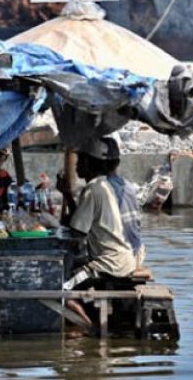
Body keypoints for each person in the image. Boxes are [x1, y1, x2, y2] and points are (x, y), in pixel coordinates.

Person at [58, 137, 139, 327]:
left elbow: (76, 232)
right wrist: (68, 196)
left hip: (109, 265)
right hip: (131, 259)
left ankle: (89, 330)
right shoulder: (126, 186)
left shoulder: (94, 189)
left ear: (89, 163)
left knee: (54, 289)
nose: (77, 166)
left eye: (80, 161)